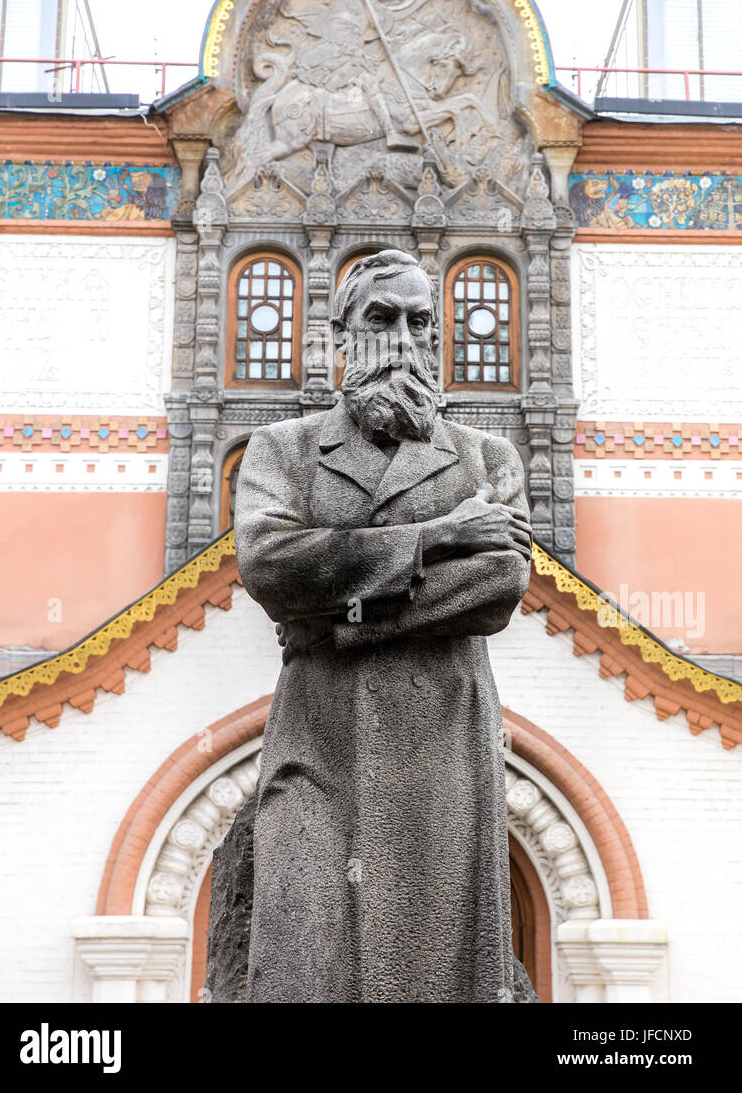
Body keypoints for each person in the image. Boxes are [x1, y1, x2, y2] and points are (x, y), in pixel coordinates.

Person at [234, 249, 534, 1003]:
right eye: (382, 317)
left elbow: (499, 585)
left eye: (421, 321)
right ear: (343, 334)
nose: (404, 337)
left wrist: (336, 623)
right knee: (299, 953)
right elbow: (271, 565)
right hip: (318, 735)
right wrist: (438, 538)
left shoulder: (486, 460)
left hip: (439, 749)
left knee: (436, 969)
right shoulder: (283, 450)